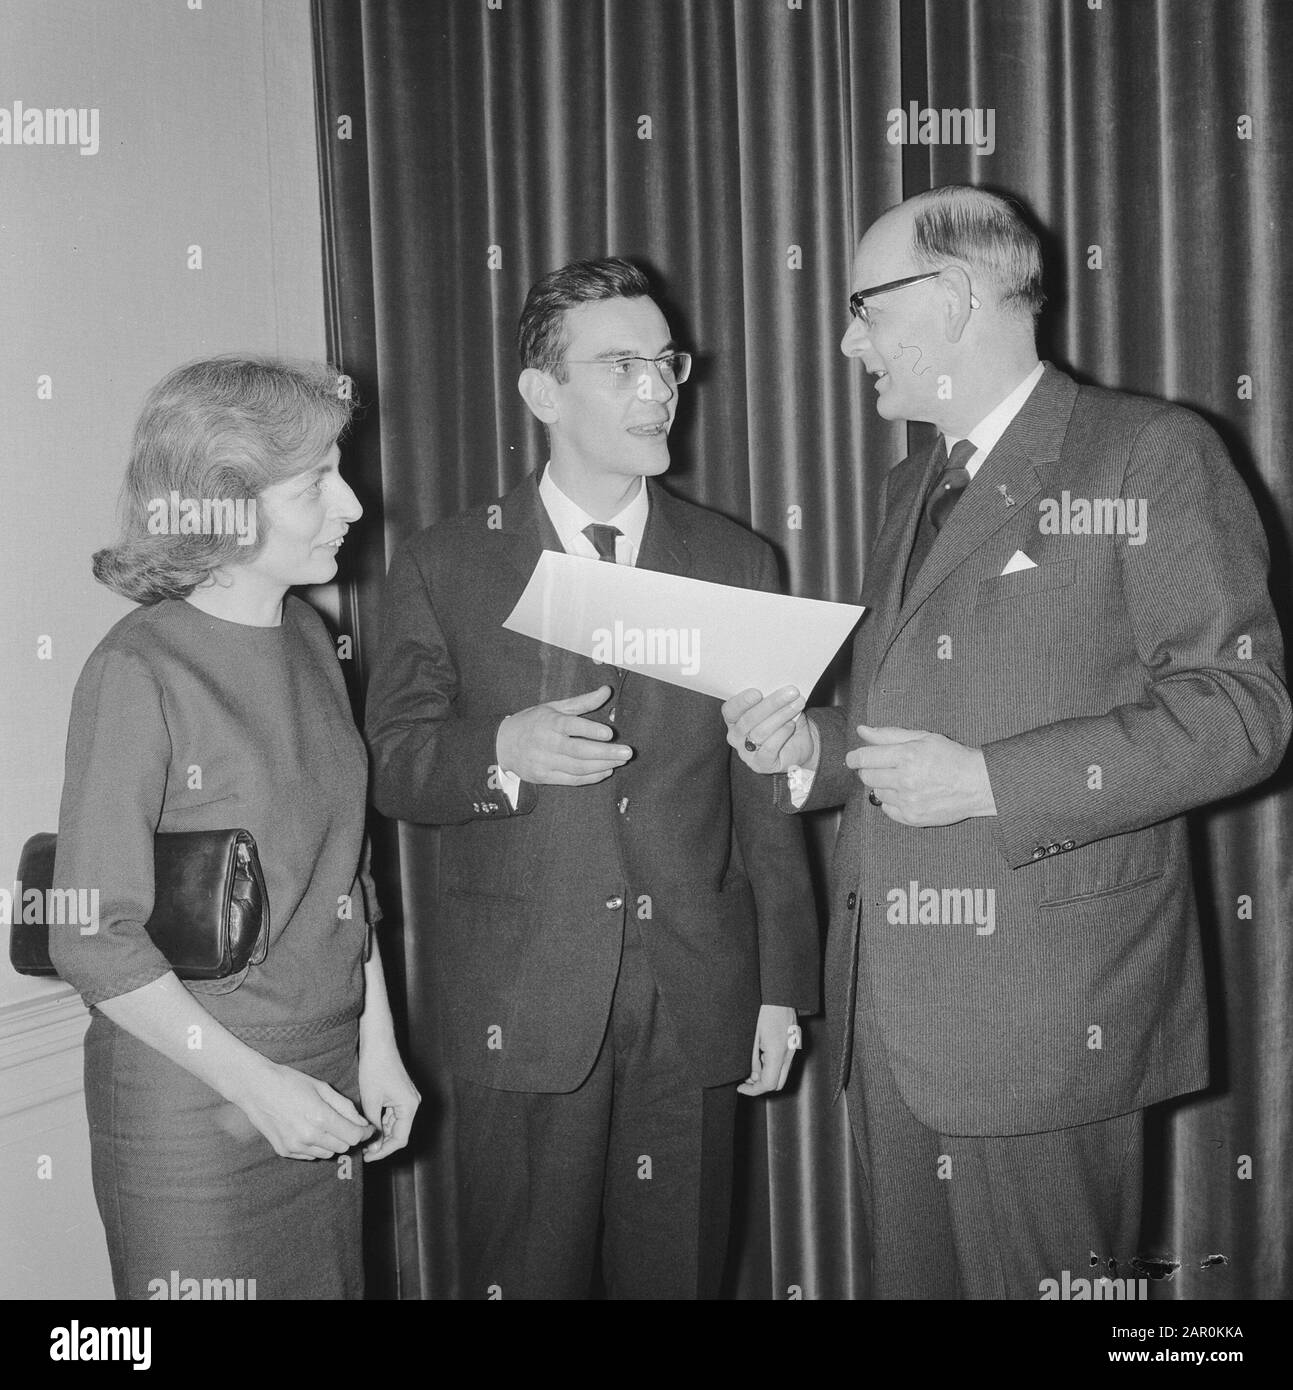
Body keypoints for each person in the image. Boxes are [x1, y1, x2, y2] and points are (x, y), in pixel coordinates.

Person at [723, 186, 1291, 1299]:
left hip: (1045, 1018)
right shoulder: (912, 484)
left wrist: (988, 782)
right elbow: (920, 720)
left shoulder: (1149, 454)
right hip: (889, 1011)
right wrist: (812, 749)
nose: (848, 339)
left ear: (948, 298)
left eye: (862, 307)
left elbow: (1242, 708)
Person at [365, 257, 819, 1300]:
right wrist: (498, 752)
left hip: (696, 992)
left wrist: (784, 986)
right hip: (522, 1004)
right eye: (622, 366)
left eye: (666, 364)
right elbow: (392, 762)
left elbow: (764, 791)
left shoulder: (735, 561)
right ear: (542, 393)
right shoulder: (450, 563)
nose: (659, 389)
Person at [50, 357, 420, 1300]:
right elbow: (91, 935)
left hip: (322, 1079)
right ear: (222, 506)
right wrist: (260, 1088)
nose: (351, 503)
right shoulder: (139, 668)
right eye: (315, 485)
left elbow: (350, 879)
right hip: (197, 1100)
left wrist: (377, 1047)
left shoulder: (309, 640)